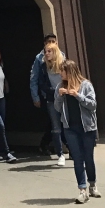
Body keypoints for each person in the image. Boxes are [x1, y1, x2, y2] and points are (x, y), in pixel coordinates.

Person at [57, 59, 99, 204]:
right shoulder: (60, 86)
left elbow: (93, 105)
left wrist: (77, 95)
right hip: (70, 128)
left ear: (70, 71)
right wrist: (59, 96)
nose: (60, 73)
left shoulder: (86, 85)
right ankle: (82, 189)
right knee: (77, 158)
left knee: (88, 157)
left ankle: (92, 184)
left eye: (62, 71)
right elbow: (57, 108)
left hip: (87, 128)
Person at [29, 34, 67, 164]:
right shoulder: (41, 60)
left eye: (53, 42)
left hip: (64, 97)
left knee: (65, 124)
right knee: (54, 125)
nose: (50, 47)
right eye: (48, 43)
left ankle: (72, 149)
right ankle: (59, 152)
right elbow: (36, 79)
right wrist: (36, 96)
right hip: (50, 97)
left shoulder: (63, 59)